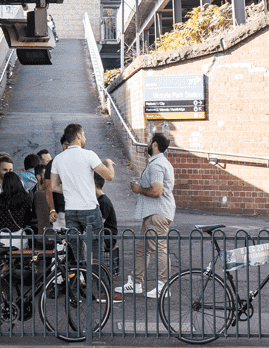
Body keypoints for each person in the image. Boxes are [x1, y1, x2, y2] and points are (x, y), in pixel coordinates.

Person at [49, 123, 115, 268]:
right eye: (84, 135)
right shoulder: (89, 155)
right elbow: (109, 176)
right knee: (96, 248)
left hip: (71, 211)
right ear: (78, 136)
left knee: (77, 250)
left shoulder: (58, 159)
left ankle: (80, 277)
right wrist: (109, 163)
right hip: (89, 209)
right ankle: (98, 280)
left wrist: (70, 189)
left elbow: (54, 186)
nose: (85, 138)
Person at [118, 131, 175, 298]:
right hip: (153, 213)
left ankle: (163, 287)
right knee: (142, 249)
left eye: (150, 141)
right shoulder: (160, 163)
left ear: (155, 144)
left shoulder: (157, 165)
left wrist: (138, 189)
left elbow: (157, 191)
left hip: (157, 213)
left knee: (160, 249)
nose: (147, 144)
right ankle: (136, 283)